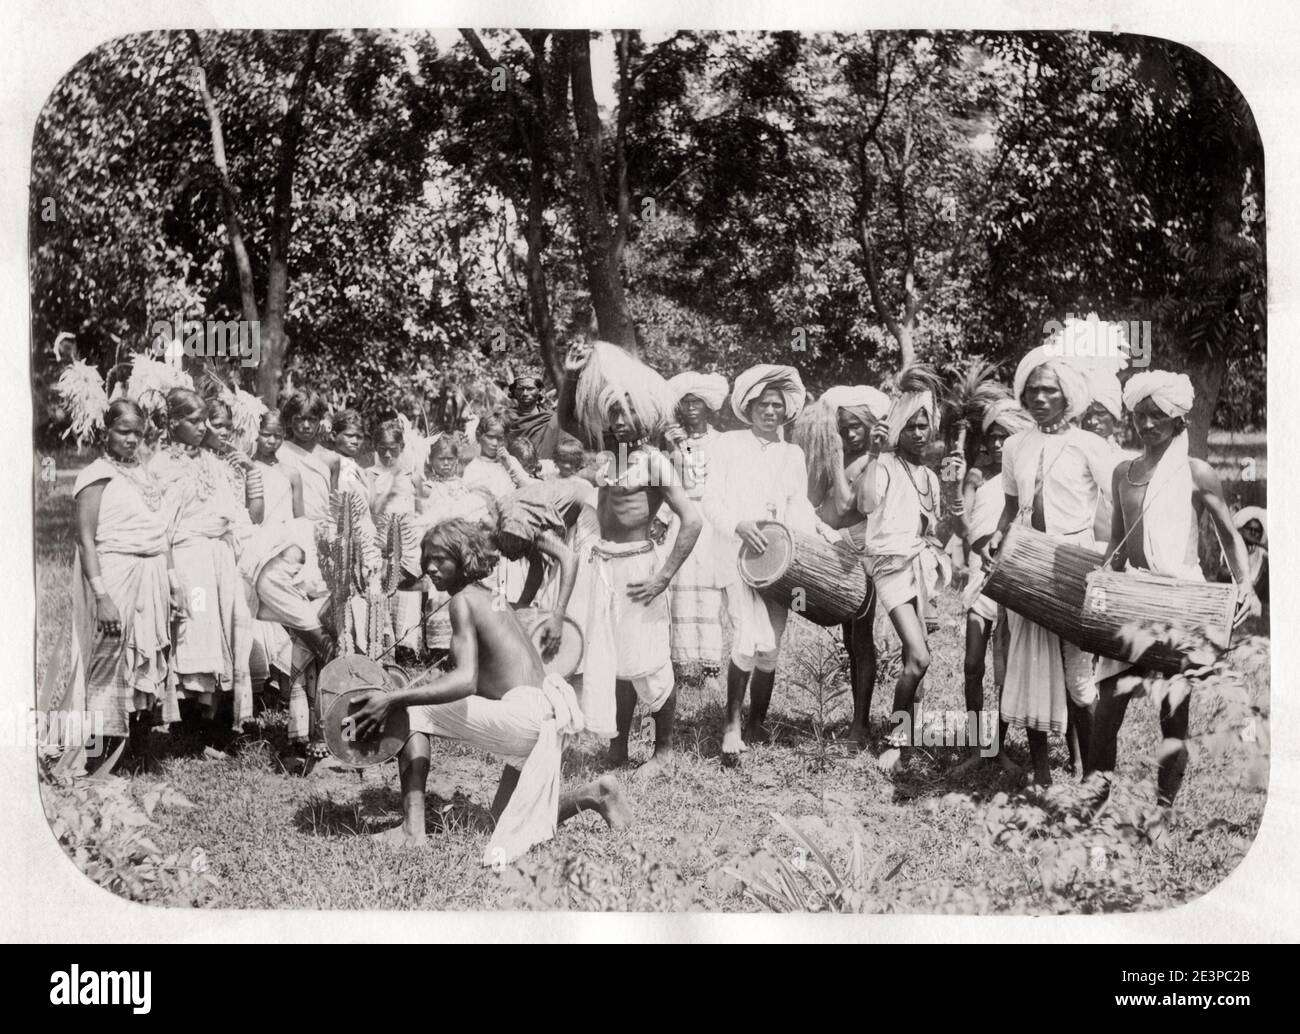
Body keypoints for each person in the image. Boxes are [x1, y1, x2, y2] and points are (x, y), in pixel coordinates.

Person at [347, 519, 632, 859]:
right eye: (427, 560)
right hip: (546, 715)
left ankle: (412, 829)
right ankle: (596, 794)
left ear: (464, 559)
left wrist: (393, 698)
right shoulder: (492, 596)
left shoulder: (462, 602)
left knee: (412, 711)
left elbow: (466, 680)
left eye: (441, 559)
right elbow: (488, 672)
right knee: (503, 819)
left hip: (524, 716)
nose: (431, 568)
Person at [1085, 373, 1258, 819]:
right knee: (1106, 708)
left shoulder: (1196, 472)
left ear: (1178, 417)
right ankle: (1097, 806)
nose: (1146, 424)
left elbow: (1228, 534)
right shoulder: (1123, 472)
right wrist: (1101, 580)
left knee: (1172, 712)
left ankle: (1162, 809)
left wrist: (1245, 586)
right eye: (1139, 415)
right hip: (1133, 597)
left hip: (1180, 600)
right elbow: (1118, 546)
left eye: (1157, 415)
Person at [556, 340, 703, 778]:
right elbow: (565, 422)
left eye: (628, 411)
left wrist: (662, 577)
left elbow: (692, 521)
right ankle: (618, 749)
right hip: (604, 566)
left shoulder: (655, 462)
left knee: (651, 660)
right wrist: (570, 376)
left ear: (645, 415)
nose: (620, 420)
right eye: (614, 412)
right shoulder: (606, 461)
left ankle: (664, 752)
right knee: (615, 660)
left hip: (641, 567)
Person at [984, 346, 1118, 785]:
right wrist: (996, 539)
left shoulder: (1090, 446)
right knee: (1029, 669)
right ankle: (1041, 772)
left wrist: (1111, 560)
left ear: (1069, 395)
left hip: (1073, 564)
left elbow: (1118, 506)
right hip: (1025, 564)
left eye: (1049, 390)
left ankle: (1091, 773)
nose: (1039, 398)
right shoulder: (1016, 445)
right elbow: (1009, 510)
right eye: (1032, 390)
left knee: (1079, 678)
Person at [702, 364, 837, 764]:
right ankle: (731, 726)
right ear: (749, 406)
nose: (771, 411)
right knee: (747, 636)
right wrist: (739, 525)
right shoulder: (727, 445)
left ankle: (757, 722)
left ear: (786, 411)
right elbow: (711, 501)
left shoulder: (791, 454)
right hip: (735, 553)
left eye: (778, 405)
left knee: (771, 647)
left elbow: (801, 508)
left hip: (779, 562)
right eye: (763, 404)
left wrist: (827, 537)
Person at [68, 400, 184, 771]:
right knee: (109, 659)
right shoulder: (95, 475)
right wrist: (102, 597)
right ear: (106, 431)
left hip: (151, 576)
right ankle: (100, 756)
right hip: (115, 574)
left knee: (145, 658)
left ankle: (136, 748)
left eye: (138, 432)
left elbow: (159, 533)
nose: (132, 439)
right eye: (124, 432)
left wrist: (171, 582)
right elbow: (87, 541)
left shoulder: (144, 472)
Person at [856, 368, 955, 764]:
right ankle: (895, 745)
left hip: (918, 565)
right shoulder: (884, 465)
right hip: (890, 568)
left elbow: (931, 528)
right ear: (899, 428)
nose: (917, 433)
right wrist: (873, 454)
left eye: (924, 426)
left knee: (915, 658)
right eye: (911, 426)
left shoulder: (928, 475)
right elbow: (864, 505)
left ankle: (906, 737)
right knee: (919, 658)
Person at [148, 388, 256, 743]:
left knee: (225, 629)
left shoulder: (209, 461)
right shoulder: (162, 465)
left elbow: (231, 511)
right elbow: (160, 526)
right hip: (190, 562)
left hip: (220, 557)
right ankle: (189, 726)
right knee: (195, 628)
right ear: (173, 423)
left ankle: (218, 721)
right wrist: (172, 577)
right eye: (194, 421)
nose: (202, 427)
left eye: (204, 420)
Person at [798, 384, 892, 745]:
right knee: (851, 640)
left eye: (857, 426)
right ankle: (859, 719)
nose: (851, 433)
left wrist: (836, 457)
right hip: (843, 553)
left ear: (871, 425)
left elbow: (846, 502)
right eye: (843, 428)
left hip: (864, 554)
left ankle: (861, 725)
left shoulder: (872, 460)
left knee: (861, 638)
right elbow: (815, 499)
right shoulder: (849, 456)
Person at [953, 398, 1033, 774]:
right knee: (972, 665)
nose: (999, 444)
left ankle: (996, 748)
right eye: (994, 436)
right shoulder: (977, 475)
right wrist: (972, 537)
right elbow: (963, 524)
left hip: (1010, 581)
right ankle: (974, 745)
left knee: (1005, 672)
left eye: (1006, 436)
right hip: (978, 581)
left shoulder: (1024, 479)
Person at [663, 371, 730, 693]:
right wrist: (675, 448)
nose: (691, 408)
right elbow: (674, 483)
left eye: (697, 403)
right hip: (683, 516)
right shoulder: (673, 443)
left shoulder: (721, 442)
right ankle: (682, 664)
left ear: (708, 407)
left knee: (709, 591)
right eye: (686, 402)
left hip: (712, 518)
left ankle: (711, 669)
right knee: (680, 590)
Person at [1230, 506, 1268, 604]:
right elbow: (1221, 573)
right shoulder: (1234, 547)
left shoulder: (1262, 553)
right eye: (1249, 529)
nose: (1252, 533)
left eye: (1257, 531)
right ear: (1242, 530)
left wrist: (1260, 544)